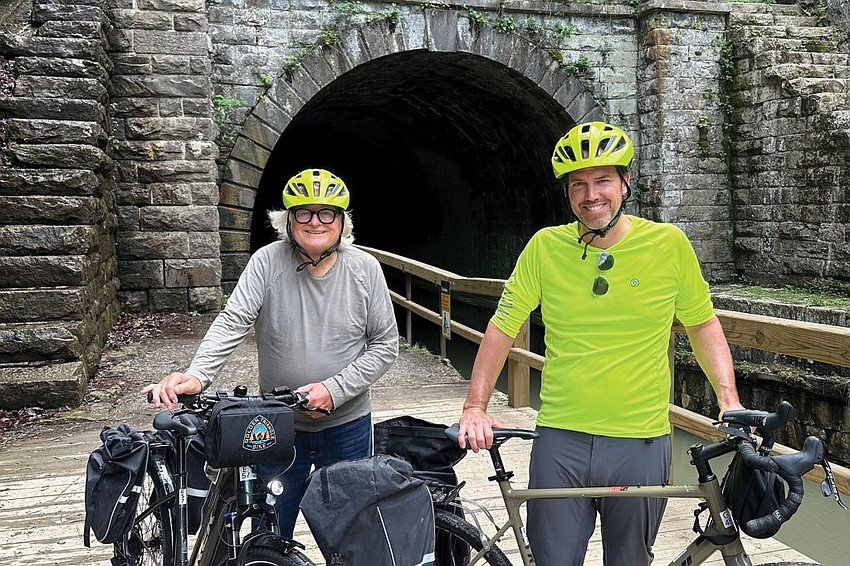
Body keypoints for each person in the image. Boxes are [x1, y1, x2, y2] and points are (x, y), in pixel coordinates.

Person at [456, 121, 744, 565]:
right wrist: (475, 407)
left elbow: (703, 324)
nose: (592, 195)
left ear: (625, 183)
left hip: (641, 441)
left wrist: (728, 399)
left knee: (630, 560)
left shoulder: (667, 245)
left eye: (603, 180)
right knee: (553, 560)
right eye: (579, 185)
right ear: (568, 193)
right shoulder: (544, 248)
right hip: (561, 440)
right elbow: (502, 325)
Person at [142, 167, 399, 537]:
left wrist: (335, 390)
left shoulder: (365, 269)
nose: (315, 222)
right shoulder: (267, 261)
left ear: (342, 222)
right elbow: (234, 319)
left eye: (326, 213)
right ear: (289, 220)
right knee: (269, 529)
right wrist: (197, 374)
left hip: (347, 425)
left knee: (351, 533)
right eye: (304, 213)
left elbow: (384, 345)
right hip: (277, 425)